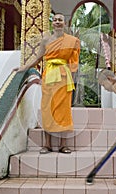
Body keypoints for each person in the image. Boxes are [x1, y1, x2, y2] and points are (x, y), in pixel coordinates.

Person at [17, 13, 80, 154]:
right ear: (52, 23)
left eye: (60, 20)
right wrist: (24, 68)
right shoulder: (46, 40)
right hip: (49, 76)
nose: (57, 22)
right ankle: (47, 145)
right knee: (47, 110)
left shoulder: (72, 40)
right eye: (55, 20)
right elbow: (37, 59)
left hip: (64, 77)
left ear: (65, 23)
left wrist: (72, 80)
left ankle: (64, 145)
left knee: (64, 111)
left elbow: (74, 63)